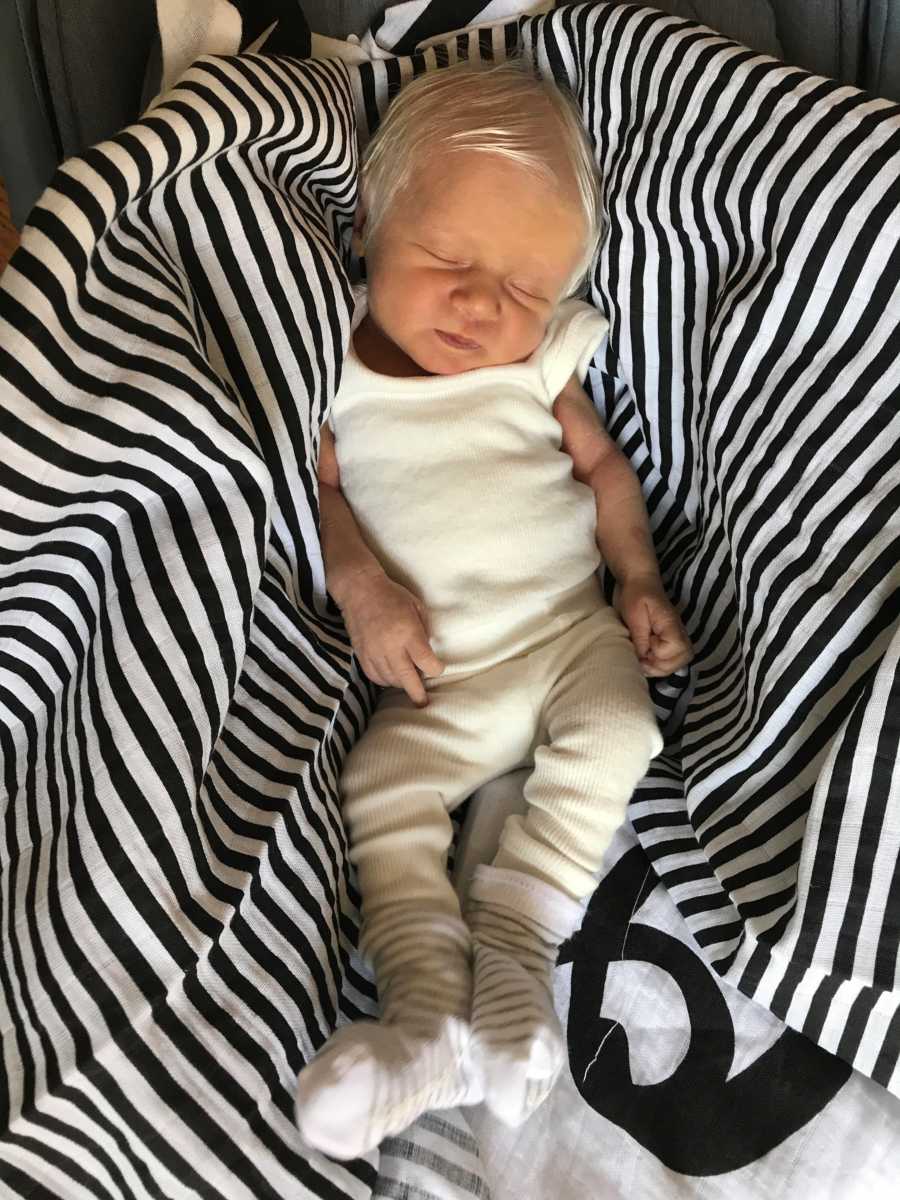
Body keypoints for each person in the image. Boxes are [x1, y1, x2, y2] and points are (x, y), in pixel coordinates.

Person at [296, 59, 692, 1160]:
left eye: (524, 289)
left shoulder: (536, 368)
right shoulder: (332, 376)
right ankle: (424, 1014)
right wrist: (364, 590)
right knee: (379, 781)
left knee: (625, 725)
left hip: (569, 637)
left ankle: (518, 936)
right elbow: (323, 501)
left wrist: (640, 578)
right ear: (373, 225)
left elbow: (607, 472)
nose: (483, 304)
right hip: (448, 682)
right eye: (449, 259)